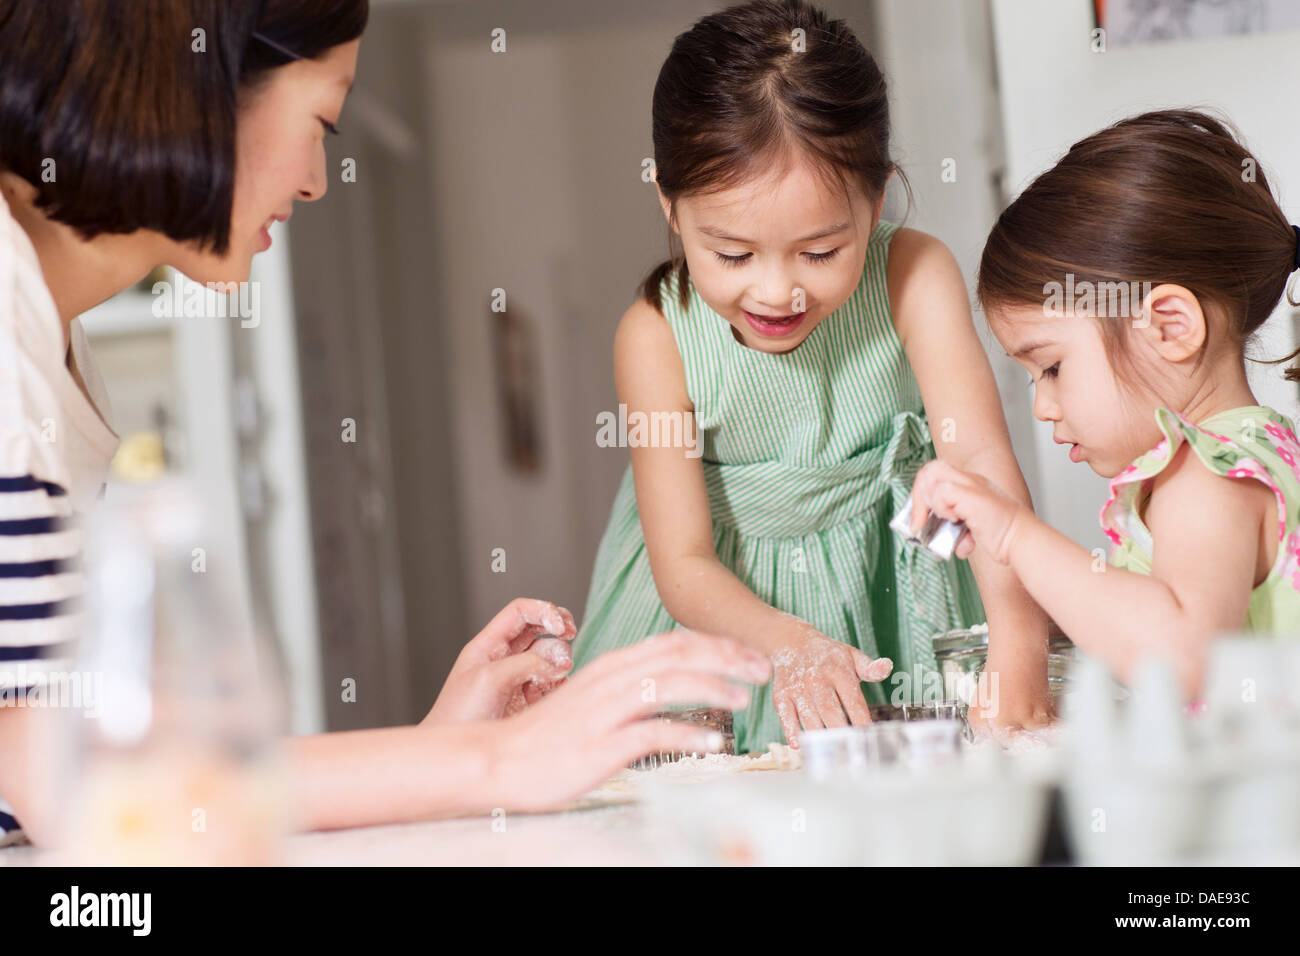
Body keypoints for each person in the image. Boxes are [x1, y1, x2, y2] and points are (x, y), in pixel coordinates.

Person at [0, 0, 770, 847]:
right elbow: (55, 767)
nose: (315, 181)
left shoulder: (54, 344)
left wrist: (447, 746)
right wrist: (499, 762)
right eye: (322, 122)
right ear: (199, 83)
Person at [572, 0, 1052, 752]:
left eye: (821, 253)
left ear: (878, 198)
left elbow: (981, 467)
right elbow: (682, 561)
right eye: (732, 255)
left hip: (897, 594)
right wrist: (788, 643)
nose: (775, 292)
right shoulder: (656, 335)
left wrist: (1018, 647)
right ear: (670, 204)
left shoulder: (913, 276)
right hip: (729, 625)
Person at [908, 109, 1300, 700]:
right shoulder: (1257, 446)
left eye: (1053, 368)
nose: (1043, 407)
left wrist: (1015, 535)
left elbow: (1181, 662)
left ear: (1170, 328)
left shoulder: (1209, 477)